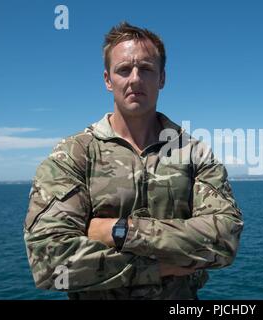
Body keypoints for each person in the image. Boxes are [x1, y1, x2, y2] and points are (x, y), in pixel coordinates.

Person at [23, 21, 244, 300]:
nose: (135, 79)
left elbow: (226, 239)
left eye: (147, 69)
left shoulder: (193, 153)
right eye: (124, 69)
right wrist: (158, 267)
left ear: (162, 78)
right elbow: (48, 262)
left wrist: (119, 231)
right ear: (107, 79)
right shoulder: (73, 154)